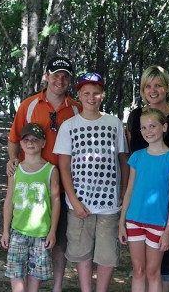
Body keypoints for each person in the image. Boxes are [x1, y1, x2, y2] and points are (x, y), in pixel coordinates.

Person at [6, 56, 82, 292]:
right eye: (56, 75)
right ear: (46, 76)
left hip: (64, 182)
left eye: (65, 76)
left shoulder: (77, 109)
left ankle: (57, 286)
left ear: (70, 81)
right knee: (26, 235)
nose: (60, 80)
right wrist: (12, 160)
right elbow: (14, 139)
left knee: (58, 238)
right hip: (32, 180)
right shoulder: (29, 105)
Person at [53, 72, 129, 292]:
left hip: (109, 203)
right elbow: (64, 167)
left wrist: (123, 190)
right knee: (81, 251)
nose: (91, 97)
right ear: (79, 94)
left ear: (102, 95)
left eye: (96, 92)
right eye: (86, 93)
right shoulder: (69, 126)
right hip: (80, 202)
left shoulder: (114, 123)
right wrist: (74, 201)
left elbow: (123, 159)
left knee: (107, 254)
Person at [125, 65, 169, 292]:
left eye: (158, 85)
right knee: (141, 267)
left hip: (167, 197)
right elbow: (132, 156)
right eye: (148, 86)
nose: (153, 90)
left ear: (167, 88)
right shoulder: (136, 116)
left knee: (164, 259)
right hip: (140, 200)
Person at [1, 123, 61, 292]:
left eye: (35, 139)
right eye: (26, 139)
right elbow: (9, 200)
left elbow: (56, 201)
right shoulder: (16, 169)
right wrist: (5, 230)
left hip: (41, 234)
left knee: (35, 277)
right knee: (16, 274)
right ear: (20, 144)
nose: (30, 143)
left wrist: (52, 231)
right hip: (18, 232)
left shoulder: (50, 170)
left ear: (43, 143)